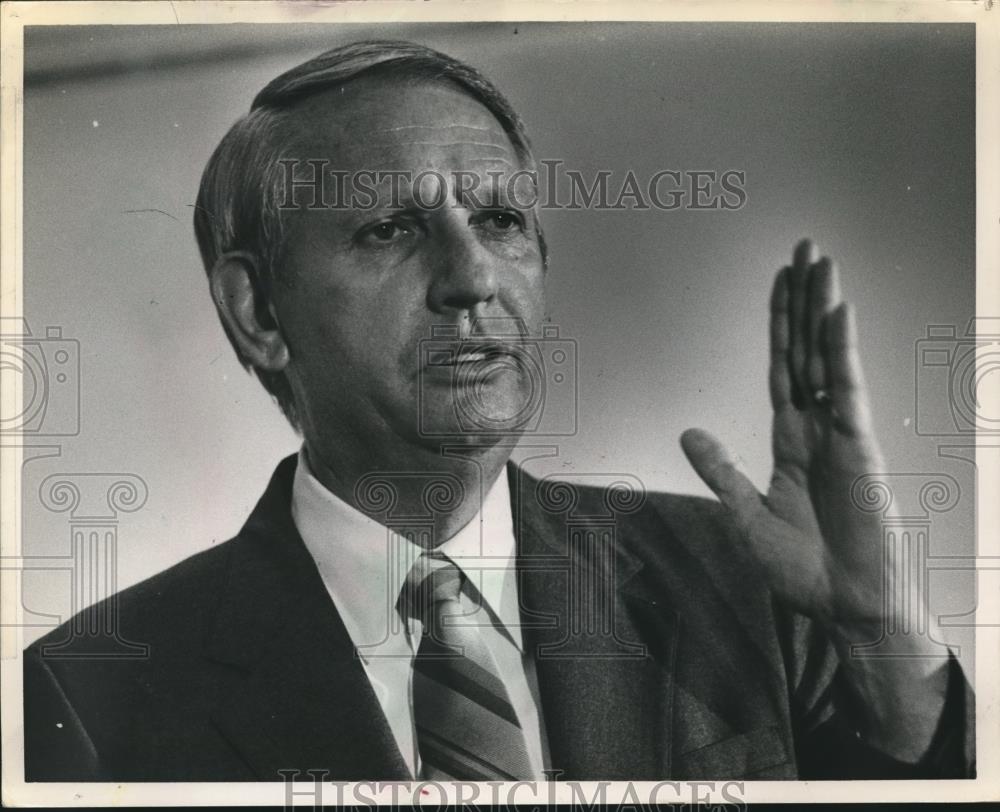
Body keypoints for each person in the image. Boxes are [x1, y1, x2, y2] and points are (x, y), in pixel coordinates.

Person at [24, 39, 973, 782]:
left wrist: (884, 643)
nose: (472, 277)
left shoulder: (749, 585)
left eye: (500, 220)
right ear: (260, 313)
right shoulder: (90, 691)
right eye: (391, 228)